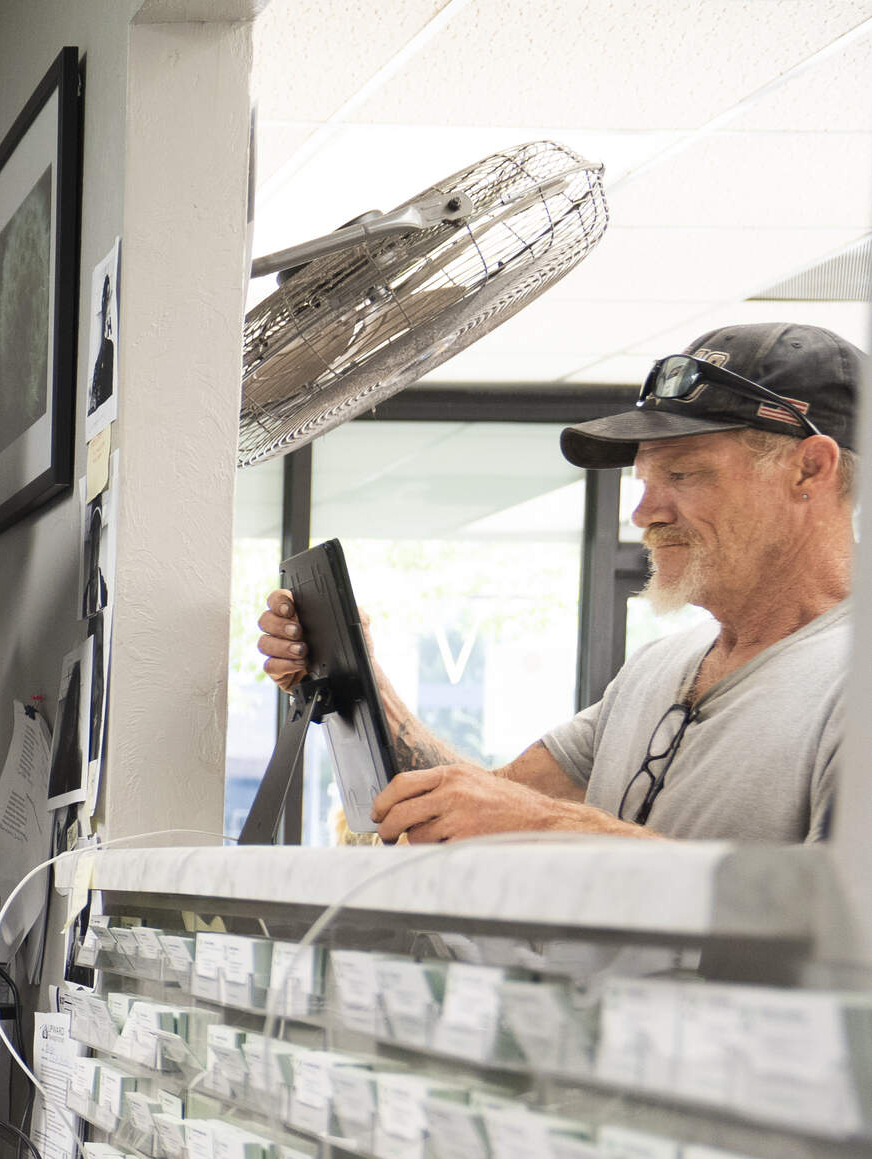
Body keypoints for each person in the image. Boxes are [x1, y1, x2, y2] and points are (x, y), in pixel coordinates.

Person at [255, 323, 855, 842]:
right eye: (644, 480)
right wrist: (356, 674)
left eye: (683, 473)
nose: (646, 513)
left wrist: (548, 827)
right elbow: (474, 812)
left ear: (810, 468)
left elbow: (843, 921)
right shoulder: (656, 670)